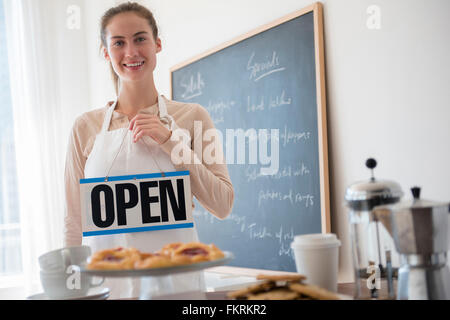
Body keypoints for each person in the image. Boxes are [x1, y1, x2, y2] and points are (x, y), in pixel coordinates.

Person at [63, 2, 234, 299]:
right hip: (107, 289)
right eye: (119, 43)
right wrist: (70, 291)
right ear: (106, 52)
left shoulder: (192, 117)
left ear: (157, 44)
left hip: (179, 291)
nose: (131, 52)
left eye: (140, 38)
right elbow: (74, 221)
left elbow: (223, 203)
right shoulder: (84, 127)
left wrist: (171, 142)